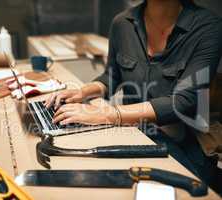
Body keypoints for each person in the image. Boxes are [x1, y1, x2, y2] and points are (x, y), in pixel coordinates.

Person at [44, 0, 222, 194]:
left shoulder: (208, 27)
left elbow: (183, 101)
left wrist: (107, 114)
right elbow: (112, 76)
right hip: (135, 134)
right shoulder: (122, 23)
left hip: (185, 141)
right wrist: (84, 91)